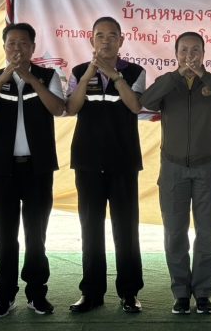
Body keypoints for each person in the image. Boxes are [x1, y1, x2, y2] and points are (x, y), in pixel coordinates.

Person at [141, 31, 211, 315]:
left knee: (207, 234)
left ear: (204, 53)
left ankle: (203, 293)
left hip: (208, 168)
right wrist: (176, 76)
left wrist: (205, 77)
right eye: (184, 50)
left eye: (195, 50)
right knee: (174, 233)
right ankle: (181, 293)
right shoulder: (167, 82)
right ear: (175, 53)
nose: (190, 55)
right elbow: (147, 102)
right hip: (173, 168)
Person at [0, 23, 65, 318]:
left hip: (38, 168)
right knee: (4, 235)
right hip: (3, 170)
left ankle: (37, 294)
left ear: (32, 48)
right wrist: (6, 77)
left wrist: (31, 79)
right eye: (11, 43)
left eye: (23, 44)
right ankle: (4, 295)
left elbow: (57, 108)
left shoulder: (49, 76)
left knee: (35, 234)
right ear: (4, 47)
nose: (17, 49)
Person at [67, 17, 146, 314]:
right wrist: (90, 73)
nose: (106, 41)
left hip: (123, 160)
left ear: (121, 41)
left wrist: (114, 75)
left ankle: (129, 292)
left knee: (126, 229)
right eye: (100, 35)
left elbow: (135, 105)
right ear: (91, 39)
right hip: (87, 162)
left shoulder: (135, 72)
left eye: (112, 36)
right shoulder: (77, 73)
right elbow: (71, 108)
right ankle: (91, 293)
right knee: (90, 228)